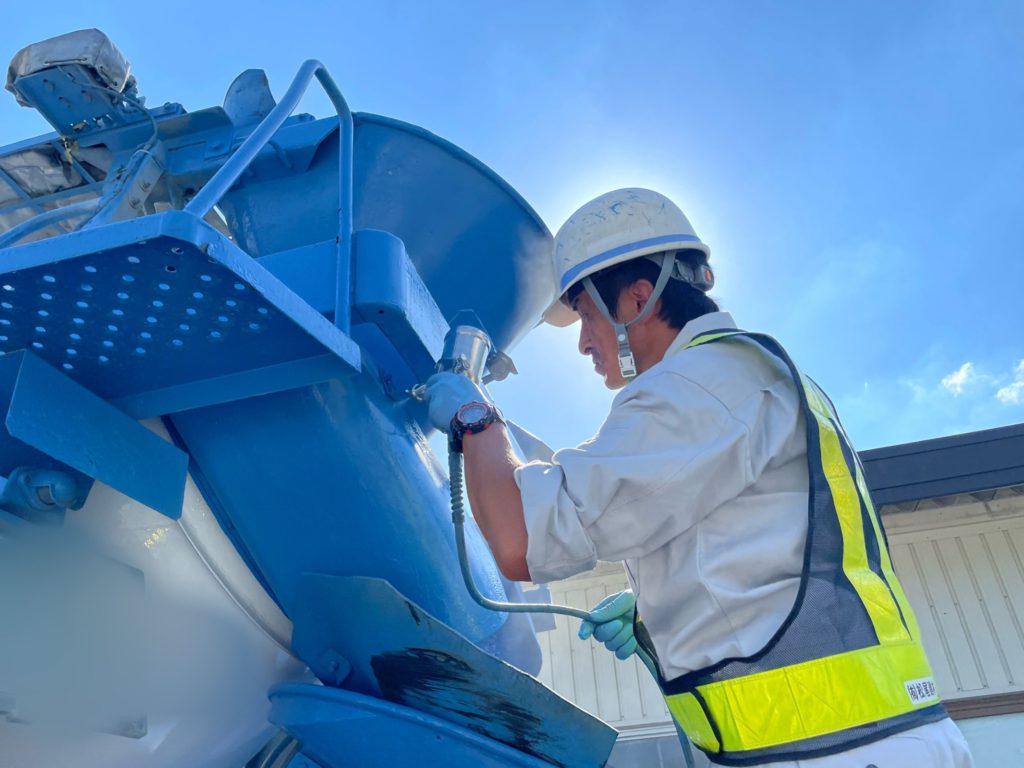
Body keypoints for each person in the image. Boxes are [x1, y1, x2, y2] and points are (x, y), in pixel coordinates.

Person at [424, 188, 974, 767]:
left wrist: (475, 418)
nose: (584, 341)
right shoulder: (746, 377)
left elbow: (521, 540)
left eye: (586, 315)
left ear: (638, 298)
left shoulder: (700, 385)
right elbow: (756, 550)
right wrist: (648, 610)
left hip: (830, 751)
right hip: (863, 741)